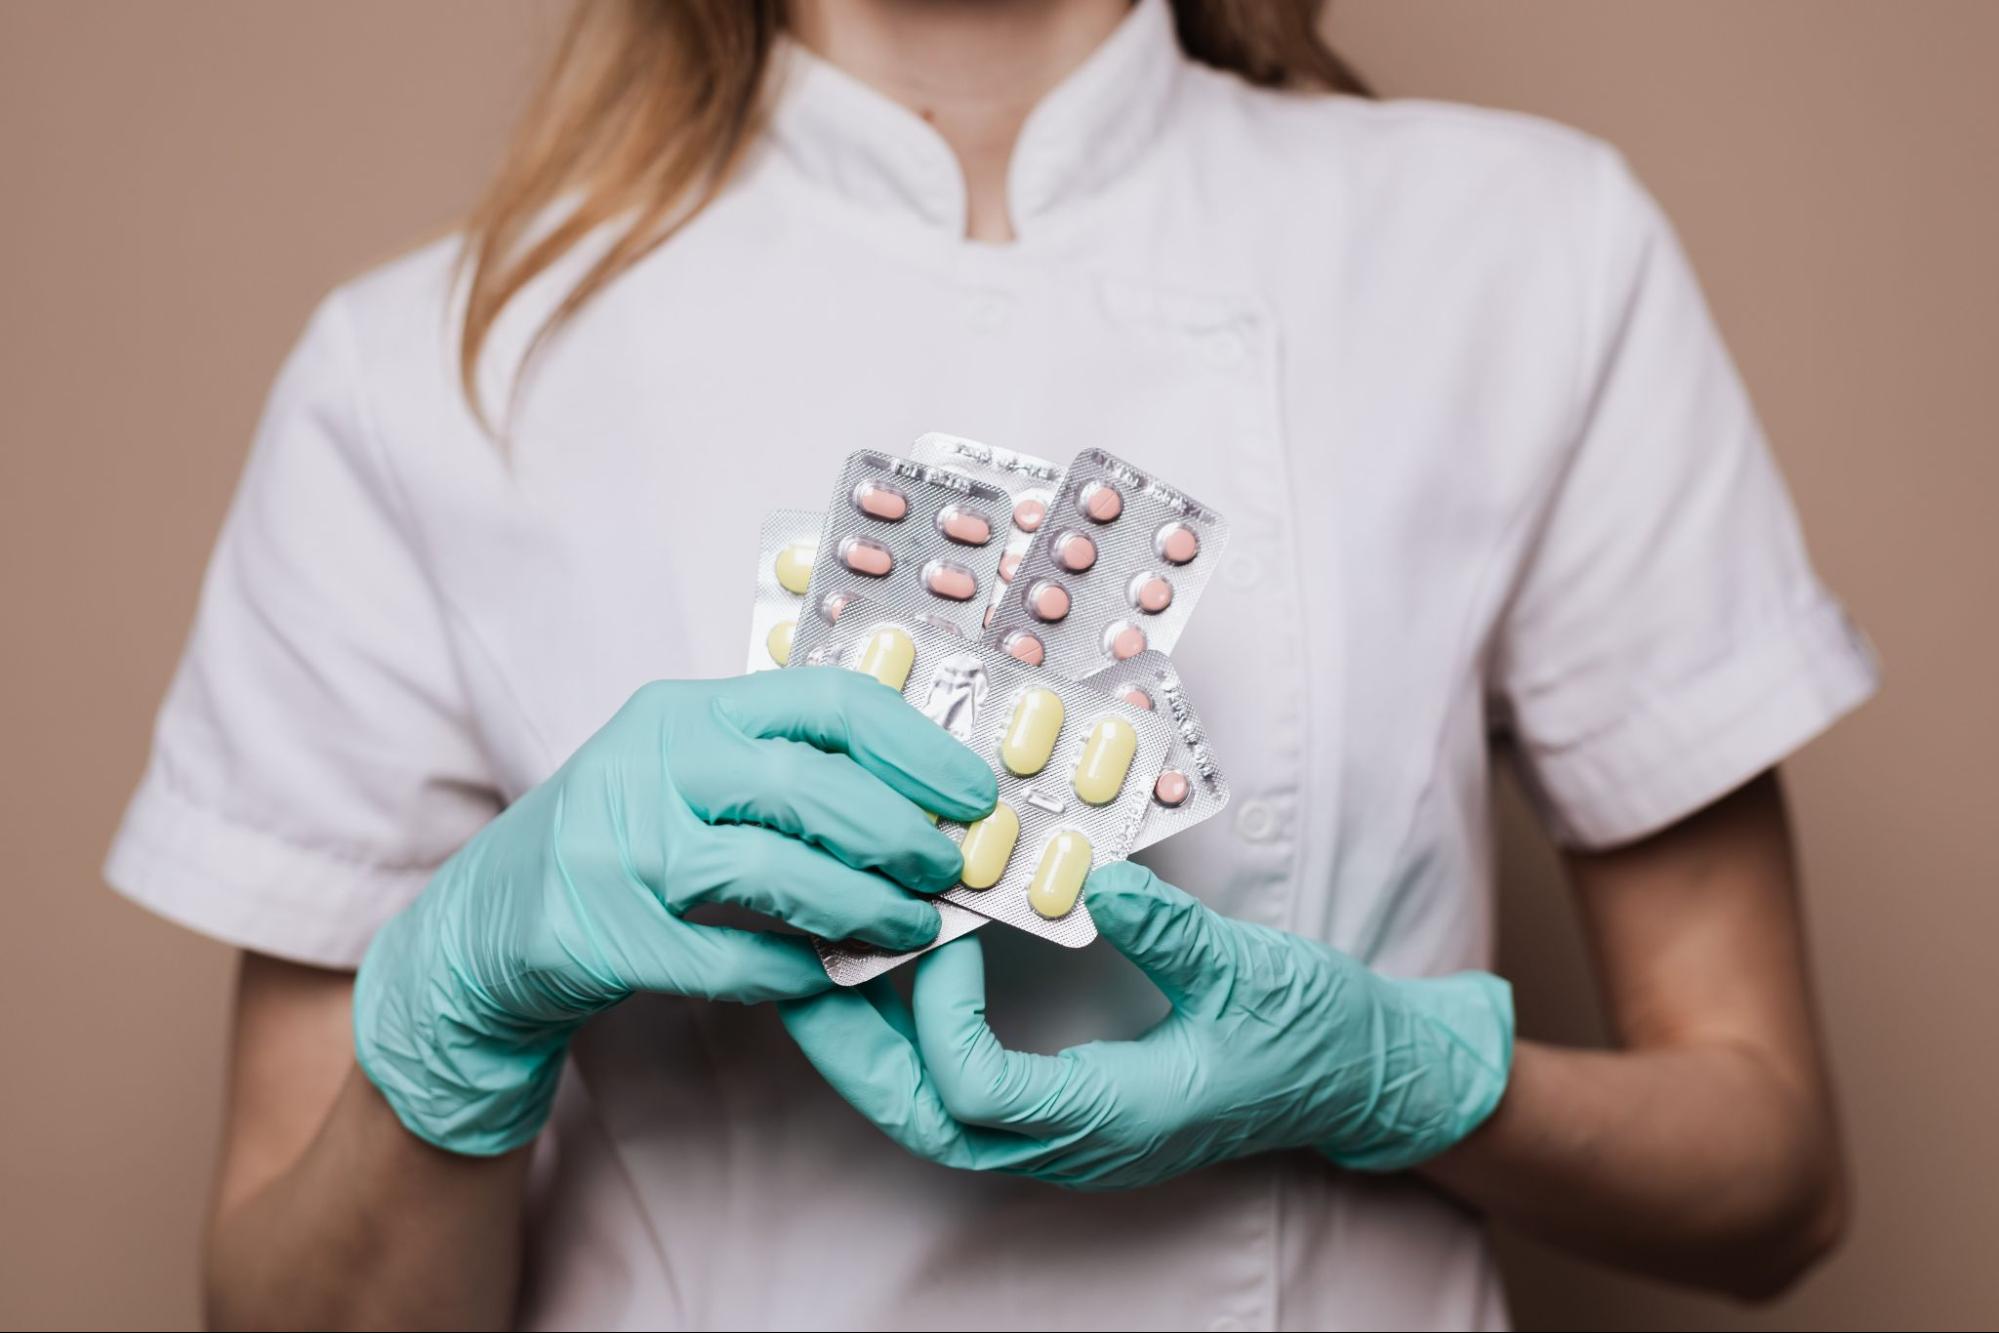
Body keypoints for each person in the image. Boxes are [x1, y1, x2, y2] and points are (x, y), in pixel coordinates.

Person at [106, 1, 1880, 1328]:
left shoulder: (1525, 251)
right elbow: (287, 1307)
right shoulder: (422, 370)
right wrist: (460, 1009)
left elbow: (1775, 1181)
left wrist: (1406, 1073)